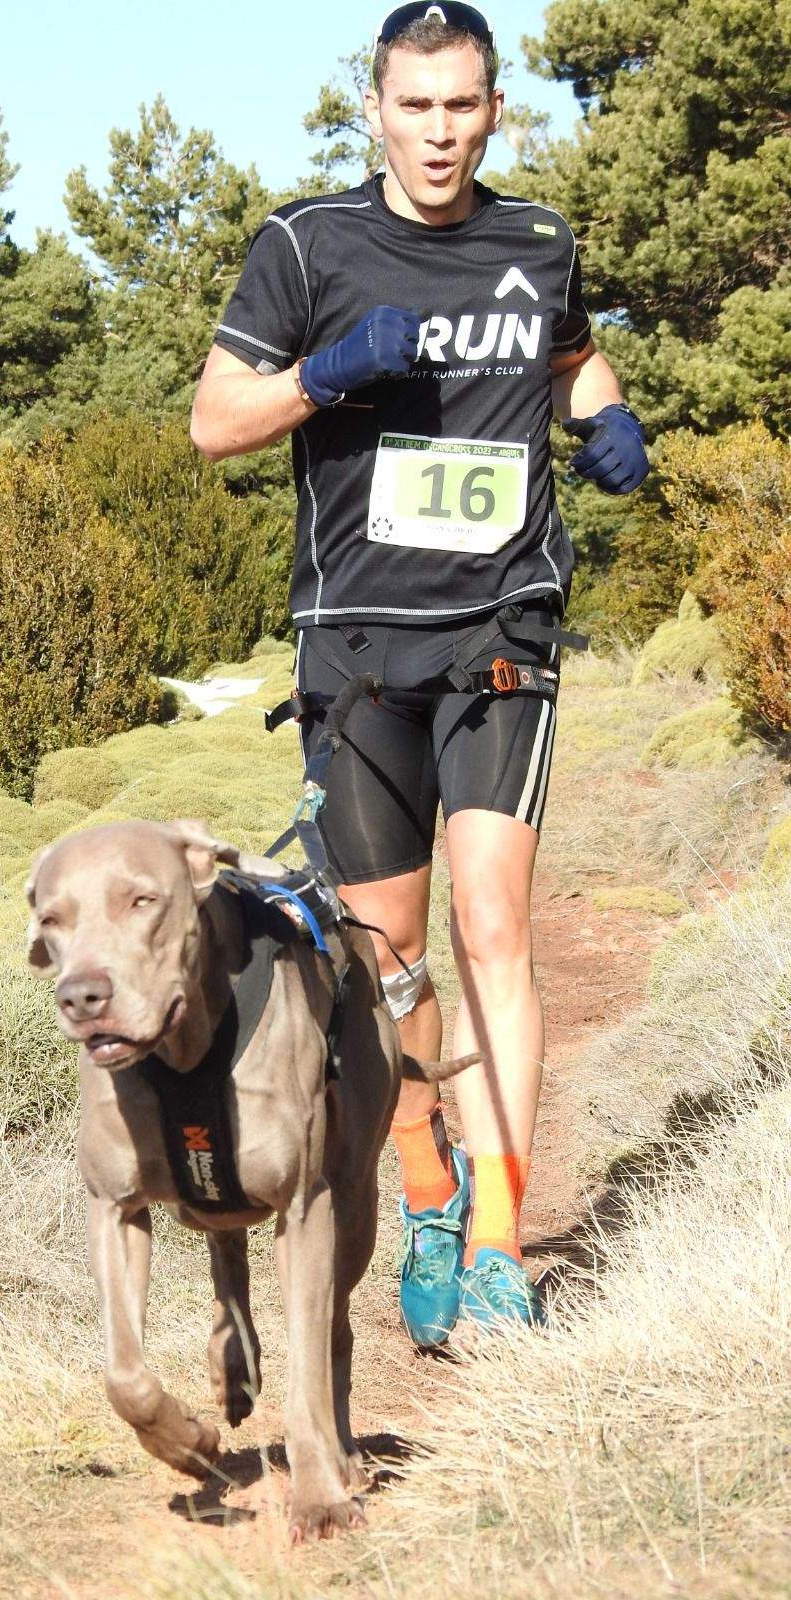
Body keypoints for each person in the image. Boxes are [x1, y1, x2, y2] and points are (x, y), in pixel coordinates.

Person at [190, 1, 649, 1343]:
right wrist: (327, 374)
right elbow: (216, 421)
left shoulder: (537, 242)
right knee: (386, 958)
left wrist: (605, 412)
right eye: (417, 107)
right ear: (378, 112)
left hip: (501, 628)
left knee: (493, 922)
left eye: (464, 106)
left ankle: (500, 1241)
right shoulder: (308, 245)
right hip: (357, 649)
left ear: (494, 109)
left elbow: (571, 356)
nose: (440, 132)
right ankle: (431, 1181)